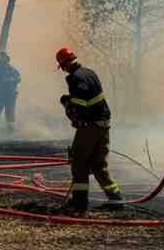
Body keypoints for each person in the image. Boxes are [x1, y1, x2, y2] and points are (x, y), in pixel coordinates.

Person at [56, 46, 122, 212]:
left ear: (64, 65)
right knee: (99, 165)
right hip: (104, 123)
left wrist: (68, 105)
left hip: (90, 126)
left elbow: (80, 105)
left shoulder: (74, 78)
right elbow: (88, 96)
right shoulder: (90, 72)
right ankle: (115, 200)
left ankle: (79, 204)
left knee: (79, 163)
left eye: (62, 67)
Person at [0, 51, 21, 135]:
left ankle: (9, 133)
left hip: (8, 96)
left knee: (8, 114)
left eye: (0, 57)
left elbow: (18, 78)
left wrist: (9, 80)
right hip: (0, 95)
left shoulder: (11, 69)